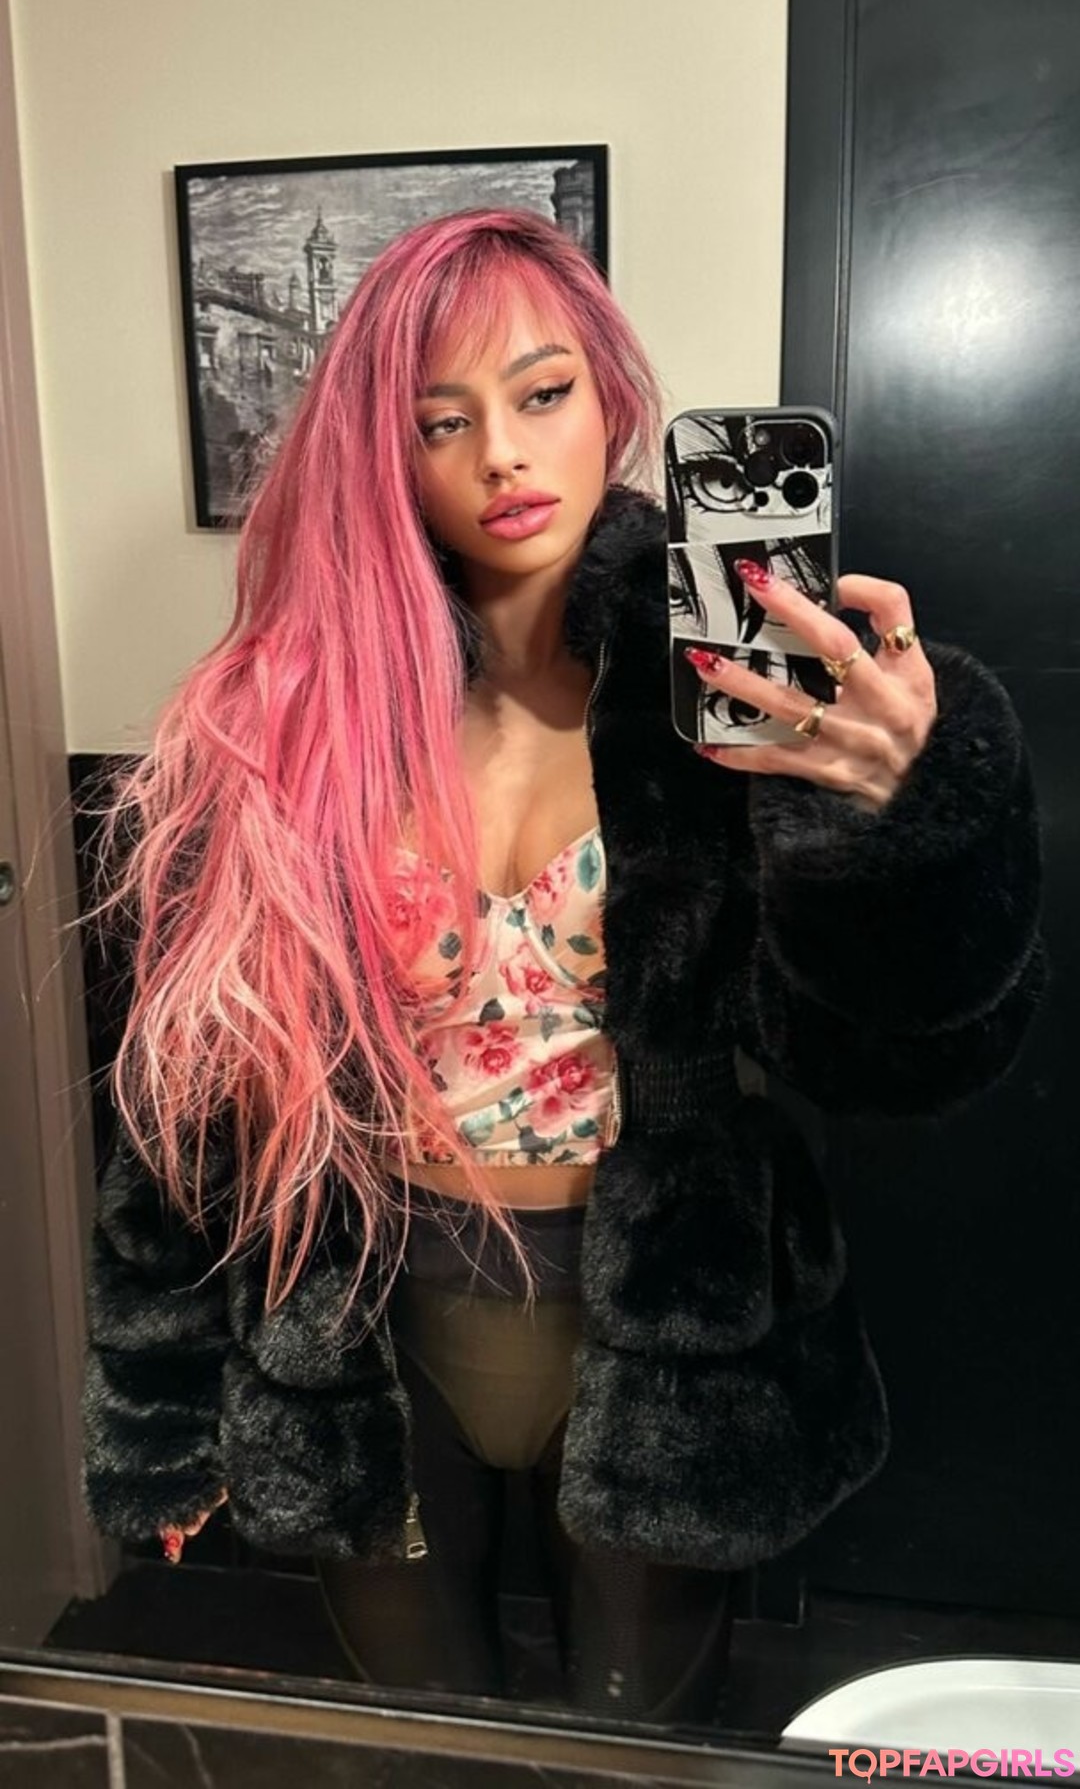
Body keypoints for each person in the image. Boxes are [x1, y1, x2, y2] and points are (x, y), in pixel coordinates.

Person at [79, 208, 1044, 1725]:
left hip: (667, 1327)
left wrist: (896, 824)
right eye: (440, 422)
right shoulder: (298, 719)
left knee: (639, 1737)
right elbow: (187, 1106)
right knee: (414, 1740)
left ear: (612, 398)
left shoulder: (735, 707)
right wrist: (155, 1403)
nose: (503, 458)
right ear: (387, 455)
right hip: (375, 1321)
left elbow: (894, 1061)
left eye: (542, 394)